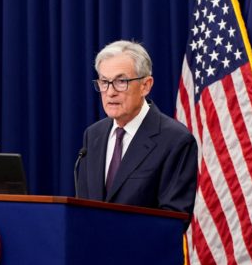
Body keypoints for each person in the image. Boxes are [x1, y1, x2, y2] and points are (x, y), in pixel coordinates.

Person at [76, 40, 198, 214]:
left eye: (121, 81)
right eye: (104, 82)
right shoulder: (93, 134)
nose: (110, 92)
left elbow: (173, 218)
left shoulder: (176, 140)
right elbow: (82, 207)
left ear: (145, 86)